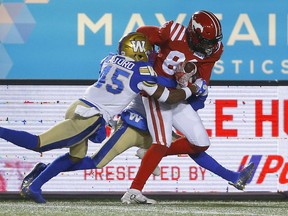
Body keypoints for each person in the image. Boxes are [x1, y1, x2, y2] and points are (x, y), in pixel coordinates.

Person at [0, 32, 206, 203]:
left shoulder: (108, 59)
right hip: (90, 116)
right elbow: (168, 97)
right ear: (139, 51)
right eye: (147, 50)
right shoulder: (144, 72)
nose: (151, 54)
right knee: (40, 143)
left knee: (76, 156)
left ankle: (35, 185)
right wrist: (192, 89)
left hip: (80, 106)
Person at [120, 10, 255, 204]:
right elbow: (141, 34)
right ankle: (133, 191)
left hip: (177, 94)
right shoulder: (172, 31)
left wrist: (198, 87)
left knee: (200, 142)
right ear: (193, 33)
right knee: (162, 141)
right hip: (156, 91)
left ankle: (151, 154)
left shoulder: (215, 49)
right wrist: (147, 63)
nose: (210, 47)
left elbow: (203, 78)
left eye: (213, 42)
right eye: (206, 42)